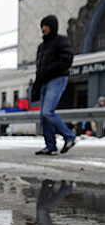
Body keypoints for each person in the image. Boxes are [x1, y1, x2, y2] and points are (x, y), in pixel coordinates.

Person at [32, 15, 76, 156]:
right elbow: (39, 68)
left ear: (52, 26)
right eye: (42, 26)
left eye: (46, 25)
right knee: (43, 116)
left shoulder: (61, 41)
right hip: (44, 82)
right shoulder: (42, 47)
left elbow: (68, 58)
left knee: (47, 111)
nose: (43, 28)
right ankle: (50, 145)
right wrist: (36, 86)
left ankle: (69, 137)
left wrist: (54, 69)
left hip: (57, 79)